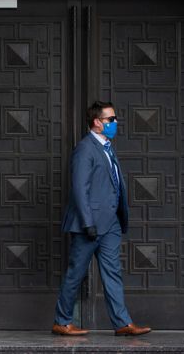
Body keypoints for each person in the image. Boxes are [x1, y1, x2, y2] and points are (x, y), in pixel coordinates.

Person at [52, 101, 151, 336]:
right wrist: (87, 222)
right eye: (111, 120)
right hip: (90, 225)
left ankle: (122, 323)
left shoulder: (107, 147)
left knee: (112, 272)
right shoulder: (85, 149)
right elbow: (79, 188)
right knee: (76, 273)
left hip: (111, 224)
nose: (115, 123)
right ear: (97, 122)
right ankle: (62, 321)